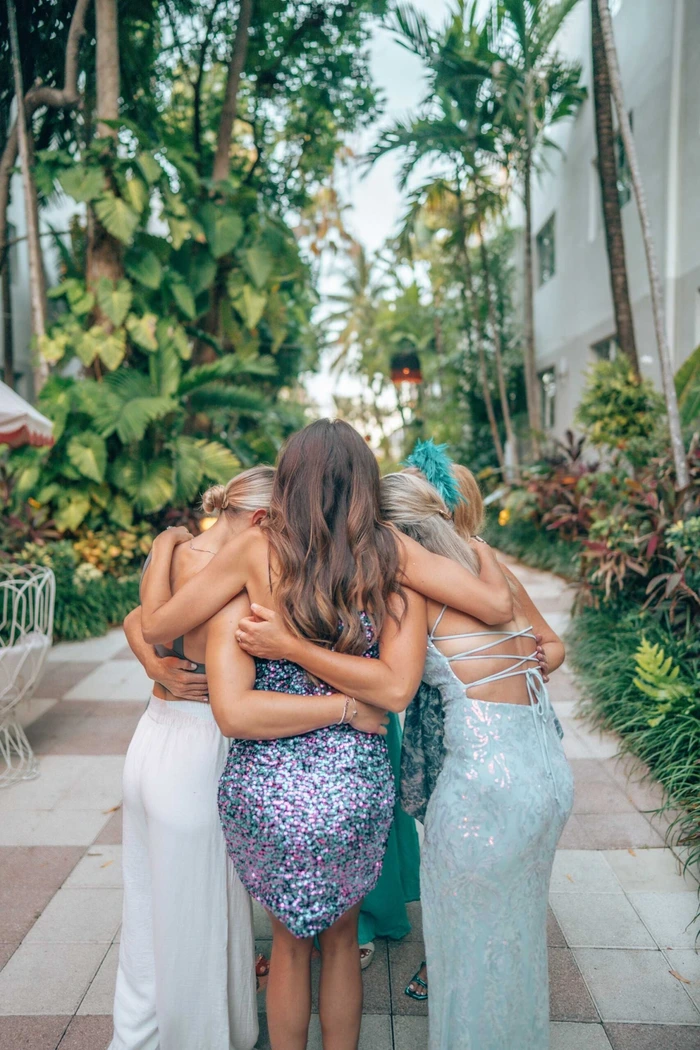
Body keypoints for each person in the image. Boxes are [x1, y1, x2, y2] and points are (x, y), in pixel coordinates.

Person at [140, 420, 514, 1050]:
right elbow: (404, 682)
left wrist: (165, 548)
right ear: (365, 485)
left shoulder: (255, 551)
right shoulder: (388, 553)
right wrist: (484, 550)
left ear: (288, 480)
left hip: (265, 779)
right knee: (341, 942)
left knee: (289, 944)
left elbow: (159, 624)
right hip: (353, 779)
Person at [234, 462, 572, 1050]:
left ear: (395, 534)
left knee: (464, 953)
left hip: (482, 784)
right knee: (515, 939)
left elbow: (392, 687)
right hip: (544, 772)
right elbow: (538, 639)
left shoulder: (407, 584)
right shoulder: (484, 566)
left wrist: (290, 648)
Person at [109, 466, 274, 1050]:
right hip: (204, 749)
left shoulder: (176, 550)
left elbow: (141, 621)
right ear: (259, 520)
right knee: (199, 915)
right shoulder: (244, 575)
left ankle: (137, 1037)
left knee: (149, 909)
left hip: (151, 738)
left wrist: (154, 664)